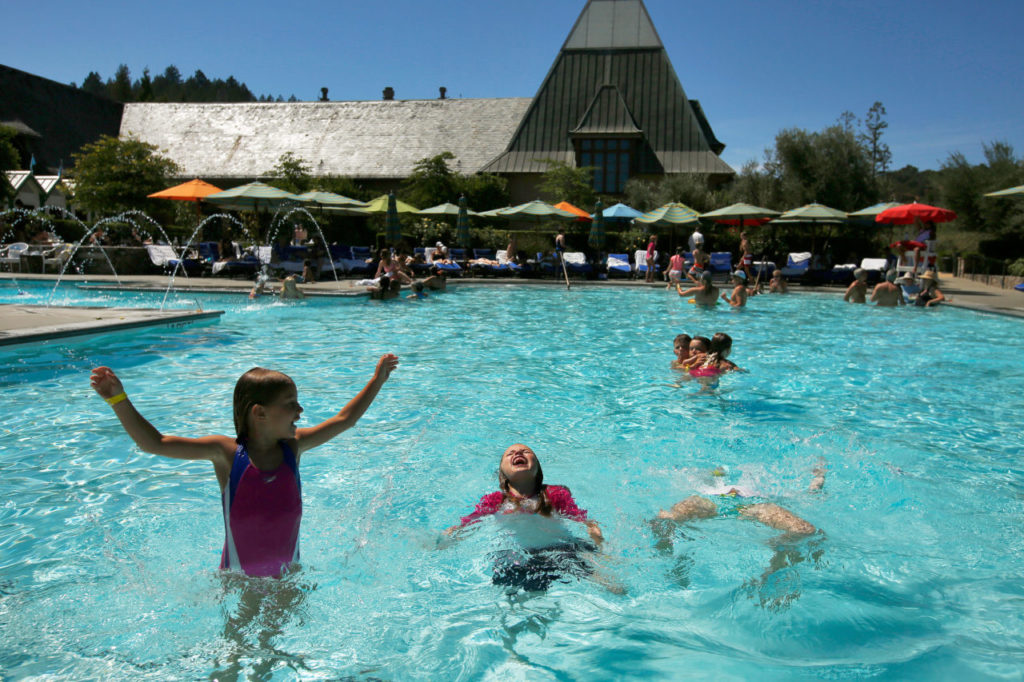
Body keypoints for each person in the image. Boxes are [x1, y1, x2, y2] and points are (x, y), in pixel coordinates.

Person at [88, 354, 399, 578]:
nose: (301, 411)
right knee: (235, 656)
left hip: (287, 579)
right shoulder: (225, 453)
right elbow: (155, 443)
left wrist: (377, 381)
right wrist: (118, 400)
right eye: (291, 404)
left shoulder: (294, 447)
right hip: (237, 582)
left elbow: (345, 420)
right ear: (259, 413)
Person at [449, 444, 606, 592]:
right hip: (520, 555)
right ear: (502, 472)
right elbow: (470, 522)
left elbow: (578, 517)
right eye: (510, 453)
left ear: (537, 468)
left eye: (526, 452)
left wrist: (593, 530)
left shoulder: (554, 494)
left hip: (561, 548)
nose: (518, 453)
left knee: (612, 585)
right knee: (513, 593)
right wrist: (453, 533)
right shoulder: (495, 500)